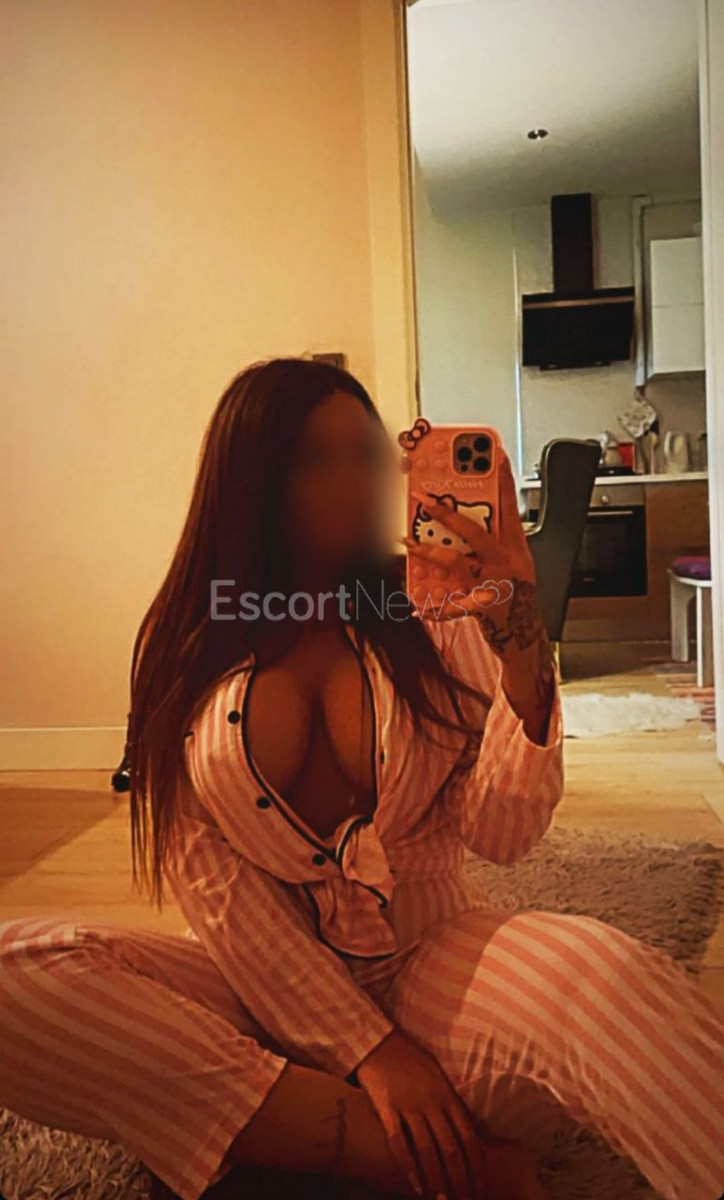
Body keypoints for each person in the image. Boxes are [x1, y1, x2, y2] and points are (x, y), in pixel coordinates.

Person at [0, 358, 722, 1200]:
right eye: (315, 458)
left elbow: (503, 835)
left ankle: (281, 1132)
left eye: (367, 453)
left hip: (431, 966)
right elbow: (218, 893)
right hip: (256, 991)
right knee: (16, 972)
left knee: (610, 977)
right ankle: (405, 1156)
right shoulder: (187, 645)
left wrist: (521, 646)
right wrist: (372, 1054)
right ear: (250, 479)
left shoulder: (431, 615)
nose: (355, 480)